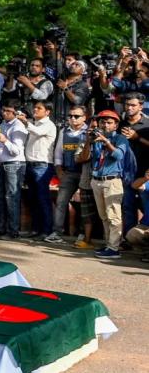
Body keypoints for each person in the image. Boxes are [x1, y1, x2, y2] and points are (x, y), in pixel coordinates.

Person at [78, 110, 130, 259]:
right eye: (102, 122)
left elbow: (118, 156)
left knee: (114, 216)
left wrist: (106, 142)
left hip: (112, 180)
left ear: (116, 125)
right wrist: (89, 141)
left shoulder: (120, 139)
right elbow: (85, 157)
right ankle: (109, 244)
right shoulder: (95, 139)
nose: (105, 125)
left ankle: (114, 248)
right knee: (104, 216)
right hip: (97, 180)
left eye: (109, 122)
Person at [46, 106, 90, 244]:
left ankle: (83, 234)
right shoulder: (64, 131)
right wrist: (58, 169)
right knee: (60, 202)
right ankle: (57, 232)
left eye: (76, 116)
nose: (72, 118)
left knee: (85, 205)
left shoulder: (89, 132)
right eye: (70, 116)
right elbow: (58, 153)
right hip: (68, 172)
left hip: (85, 173)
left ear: (84, 117)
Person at [19, 102, 57, 240]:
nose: (35, 109)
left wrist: (25, 122)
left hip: (43, 165)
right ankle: (36, 229)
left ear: (47, 112)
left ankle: (46, 231)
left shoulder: (49, 125)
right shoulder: (32, 123)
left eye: (39, 108)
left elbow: (38, 132)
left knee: (42, 199)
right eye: (35, 107)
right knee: (33, 199)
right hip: (30, 164)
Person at [0, 101, 28, 239]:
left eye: (8, 111)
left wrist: (5, 140)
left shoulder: (19, 127)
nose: (4, 112)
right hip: (1, 164)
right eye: (4, 110)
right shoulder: (3, 124)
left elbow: (16, 151)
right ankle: (0, 228)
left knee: (11, 198)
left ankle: (13, 231)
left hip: (14, 164)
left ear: (16, 113)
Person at [118, 92, 149, 234]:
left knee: (145, 206)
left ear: (141, 107)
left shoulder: (147, 124)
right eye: (127, 105)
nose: (129, 108)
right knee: (127, 206)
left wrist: (137, 138)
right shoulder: (120, 123)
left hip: (145, 173)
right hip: (125, 172)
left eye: (133, 105)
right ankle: (129, 239)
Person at [126, 169, 149, 260]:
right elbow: (135, 186)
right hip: (146, 225)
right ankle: (146, 250)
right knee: (132, 235)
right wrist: (145, 179)